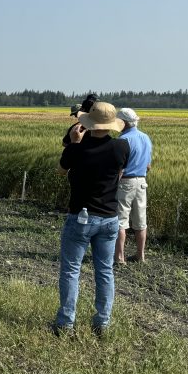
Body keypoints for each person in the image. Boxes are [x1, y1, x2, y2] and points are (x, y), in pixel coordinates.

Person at [54, 101, 131, 336]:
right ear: (111, 125)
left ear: (88, 123)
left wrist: (75, 144)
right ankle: (102, 323)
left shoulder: (79, 149)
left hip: (81, 216)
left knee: (71, 270)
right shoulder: (121, 147)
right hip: (109, 218)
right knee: (105, 270)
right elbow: (119, 174)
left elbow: (61, 170)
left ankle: (66, 323)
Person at [115, 107, 153, 264]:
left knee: (120, 221)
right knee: (140, 221)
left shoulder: (122, 140)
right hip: (142, 182)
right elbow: (149, 166)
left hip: (126, 183)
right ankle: (140, 255)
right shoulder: (146, 137)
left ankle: (119, 258)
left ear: (123, 122)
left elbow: (118, 168)